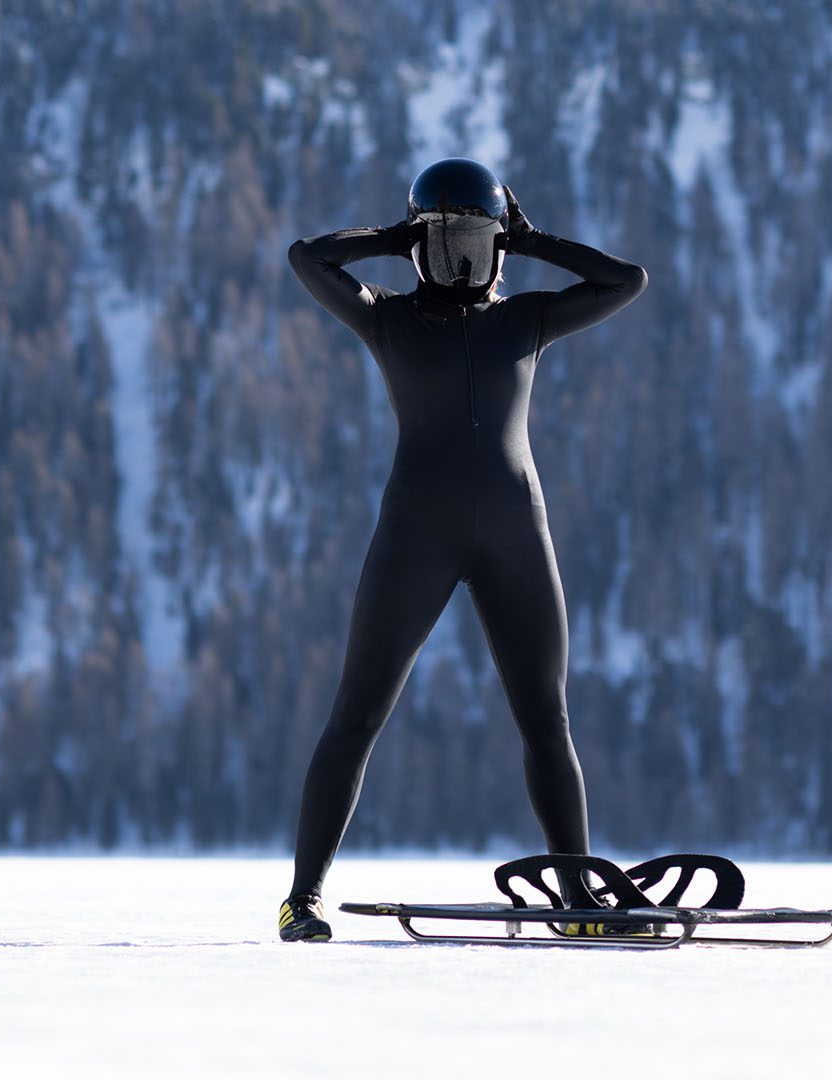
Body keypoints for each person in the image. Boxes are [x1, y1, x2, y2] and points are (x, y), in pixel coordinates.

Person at [276, 157, 648, 942]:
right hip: (419, 535)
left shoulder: (527, 320)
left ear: (498, 247)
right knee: (357, 717)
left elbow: (628, 280)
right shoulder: (387, 316)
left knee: (547, 721)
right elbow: (305, 259)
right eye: (442, 243)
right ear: (417, 247)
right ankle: (302, 899)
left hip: (515, 533)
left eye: (474, 242)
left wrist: (533, 240)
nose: (459, 258)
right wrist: (390, 234)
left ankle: (578, 896)